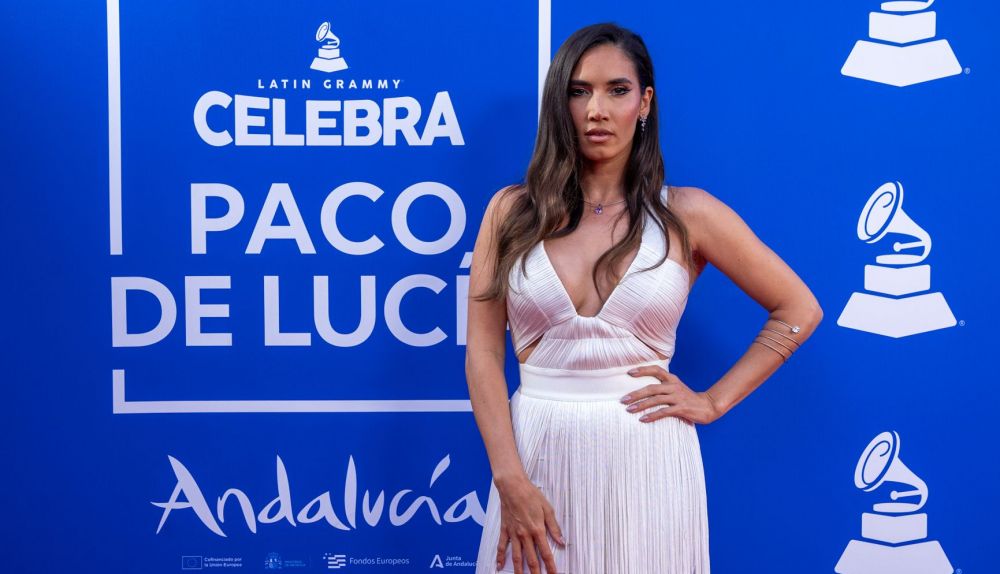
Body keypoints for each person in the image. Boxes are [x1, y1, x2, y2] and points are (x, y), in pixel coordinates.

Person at [465, 22, 823, 574]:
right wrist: (508, 476)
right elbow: (484, 353)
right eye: (578, 91)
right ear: (559, 103)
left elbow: (799, 308)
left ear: (645, 102)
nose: (596, 110)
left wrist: (714, 400)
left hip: (647, 460)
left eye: (617, 90)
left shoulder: (688, 214)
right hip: (535, 456)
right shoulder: (510, 212)